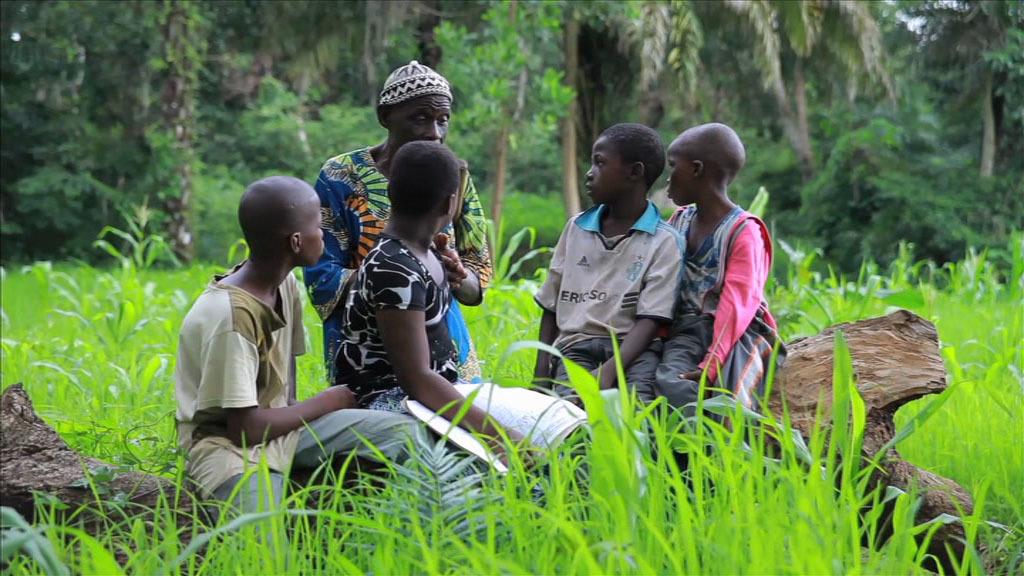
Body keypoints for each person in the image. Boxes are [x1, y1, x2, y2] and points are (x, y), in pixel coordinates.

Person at [174, 176, 420, 513]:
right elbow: (243, 429)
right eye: (319, 226)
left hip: (278, 429)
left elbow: (284, 391)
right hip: (226, 448)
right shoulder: (230, 316)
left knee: (408, 434)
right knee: (262, 552)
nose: (324, 235)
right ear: (295, 241)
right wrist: (326, 402)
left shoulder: (285, 283)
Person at [304, 60, 491, 384]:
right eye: (420, 118)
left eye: (442, 120)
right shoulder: (341, 176)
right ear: (385, 117)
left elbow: (478, 273)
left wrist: (459, 275)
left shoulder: (453, 175)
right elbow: (321, 275)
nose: (434, 133)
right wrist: (397, 274)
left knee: (458, 422)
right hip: (363, 342)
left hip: (442, 333)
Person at [334, 141, 524, 453]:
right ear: (451, 203)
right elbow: (417, 380)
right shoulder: (394, 268)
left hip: (431, 395)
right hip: (387, 403)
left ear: (390, 192)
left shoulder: (429, 253)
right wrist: (499, 436)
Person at [533, 123, 683, 402]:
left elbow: (651, 319)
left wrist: (609, 371)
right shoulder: (576, 228)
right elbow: (551, 305)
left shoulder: (664, 241)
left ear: (634, 172)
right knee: (570, 418)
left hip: (635, 351)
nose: (590, 174)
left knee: (641, 416)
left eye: (599, 163)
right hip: (575, 347)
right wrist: (541, 374)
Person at [654, 123, 785, 412]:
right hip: (687, 331)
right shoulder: (679, 221)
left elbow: (738, 302)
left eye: (674, 166)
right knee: (668, 381)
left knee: (733, 399)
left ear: (697, 169)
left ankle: (747, 451)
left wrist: (712, 361)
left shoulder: (743, 231)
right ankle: (687, 449)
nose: (668, 178)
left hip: (741, 332)